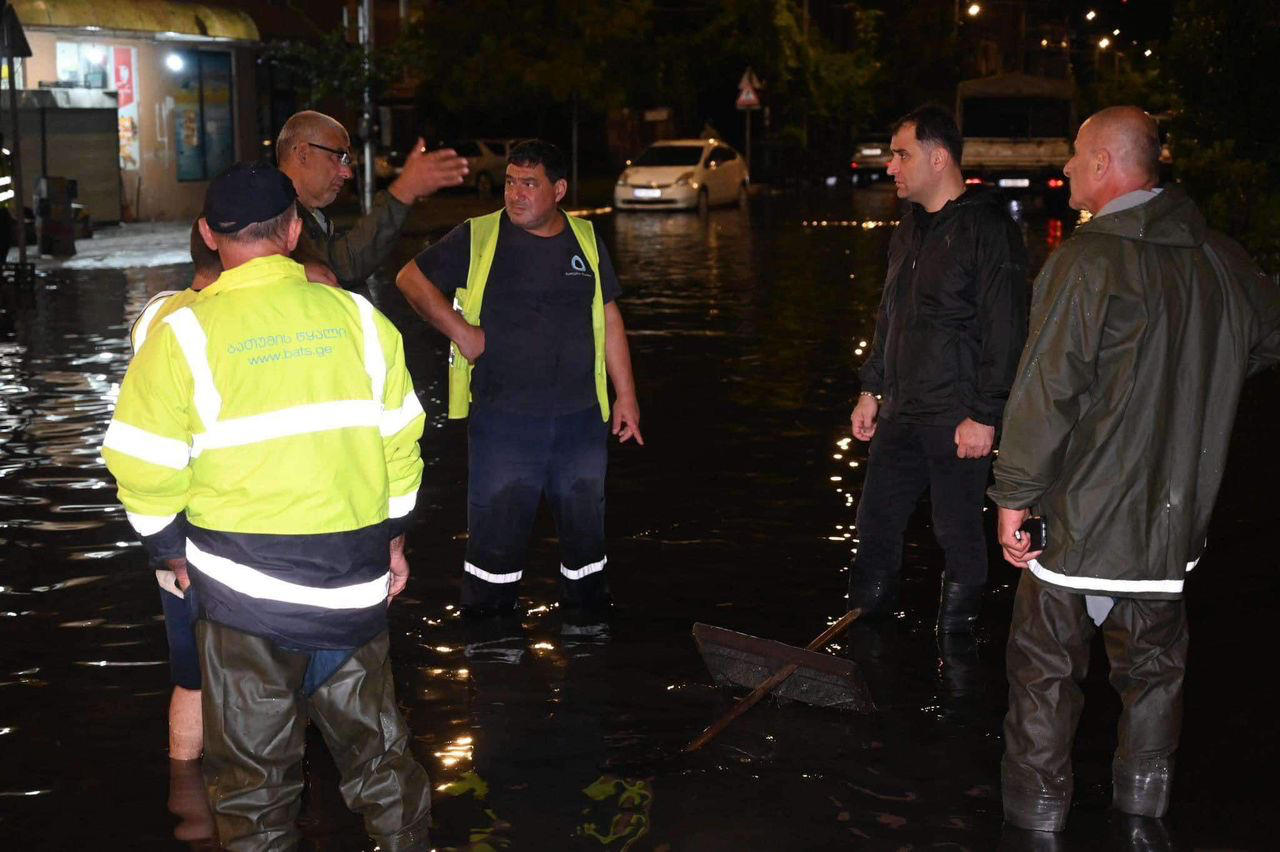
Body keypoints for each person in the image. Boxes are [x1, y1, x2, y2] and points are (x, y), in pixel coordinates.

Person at [103, 162, 432, 849]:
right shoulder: (360, 321)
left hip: (243, 597)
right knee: (380, 762)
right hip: (351, 588)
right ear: (291, 231)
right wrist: (394, 541)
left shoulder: (182, 334)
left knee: (252, 788)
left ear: (209, 236)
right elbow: (403, 444)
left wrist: (170, 553)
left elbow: (139, 461)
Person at [990, 106, 1280, 832]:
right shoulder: (1223, 259)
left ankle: (1035, 830)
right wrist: (1208, 380)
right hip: (1171, 533)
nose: (1066, 170)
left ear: (1108, 166)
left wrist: (1014, 496)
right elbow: (1267, 339)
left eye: (1076, 157)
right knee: (1153, 681)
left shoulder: (1088, 262)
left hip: (1079, 527)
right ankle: (1142, 825)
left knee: (1044, 681)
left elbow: (1046, 392)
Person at [395, 139, 641, 620]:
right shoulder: (480, 235)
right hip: (504, 426)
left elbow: (609, 316)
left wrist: (627, 396)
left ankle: (586, 645)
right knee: (493, 557)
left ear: (559, 190)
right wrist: (461, 332)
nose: (515, 193)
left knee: (586, 552)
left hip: (580, 424)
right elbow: (410, 278)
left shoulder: (586, 240)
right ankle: (490, 654)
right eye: (511, 182)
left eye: (530, 183)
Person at [848, 105, 1028, 633]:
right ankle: (864, 627)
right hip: (901, 412)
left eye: (902, 155)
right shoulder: (907, 230)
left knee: (956, 532)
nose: (891, 167)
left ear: (938, 156)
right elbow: (889, 314)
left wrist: (984, 413)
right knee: (875, 525)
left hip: (957, 420)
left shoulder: (988, 229)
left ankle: (958, 643)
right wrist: (871, 388)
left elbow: (1007, 329)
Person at [275, 110, 469, 289]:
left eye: (347, 161)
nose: (347, 173)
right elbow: (343, 267)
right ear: (303, 153)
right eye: (338, 157)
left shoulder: (304, 214)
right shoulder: (273, 215)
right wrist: (404, 190)